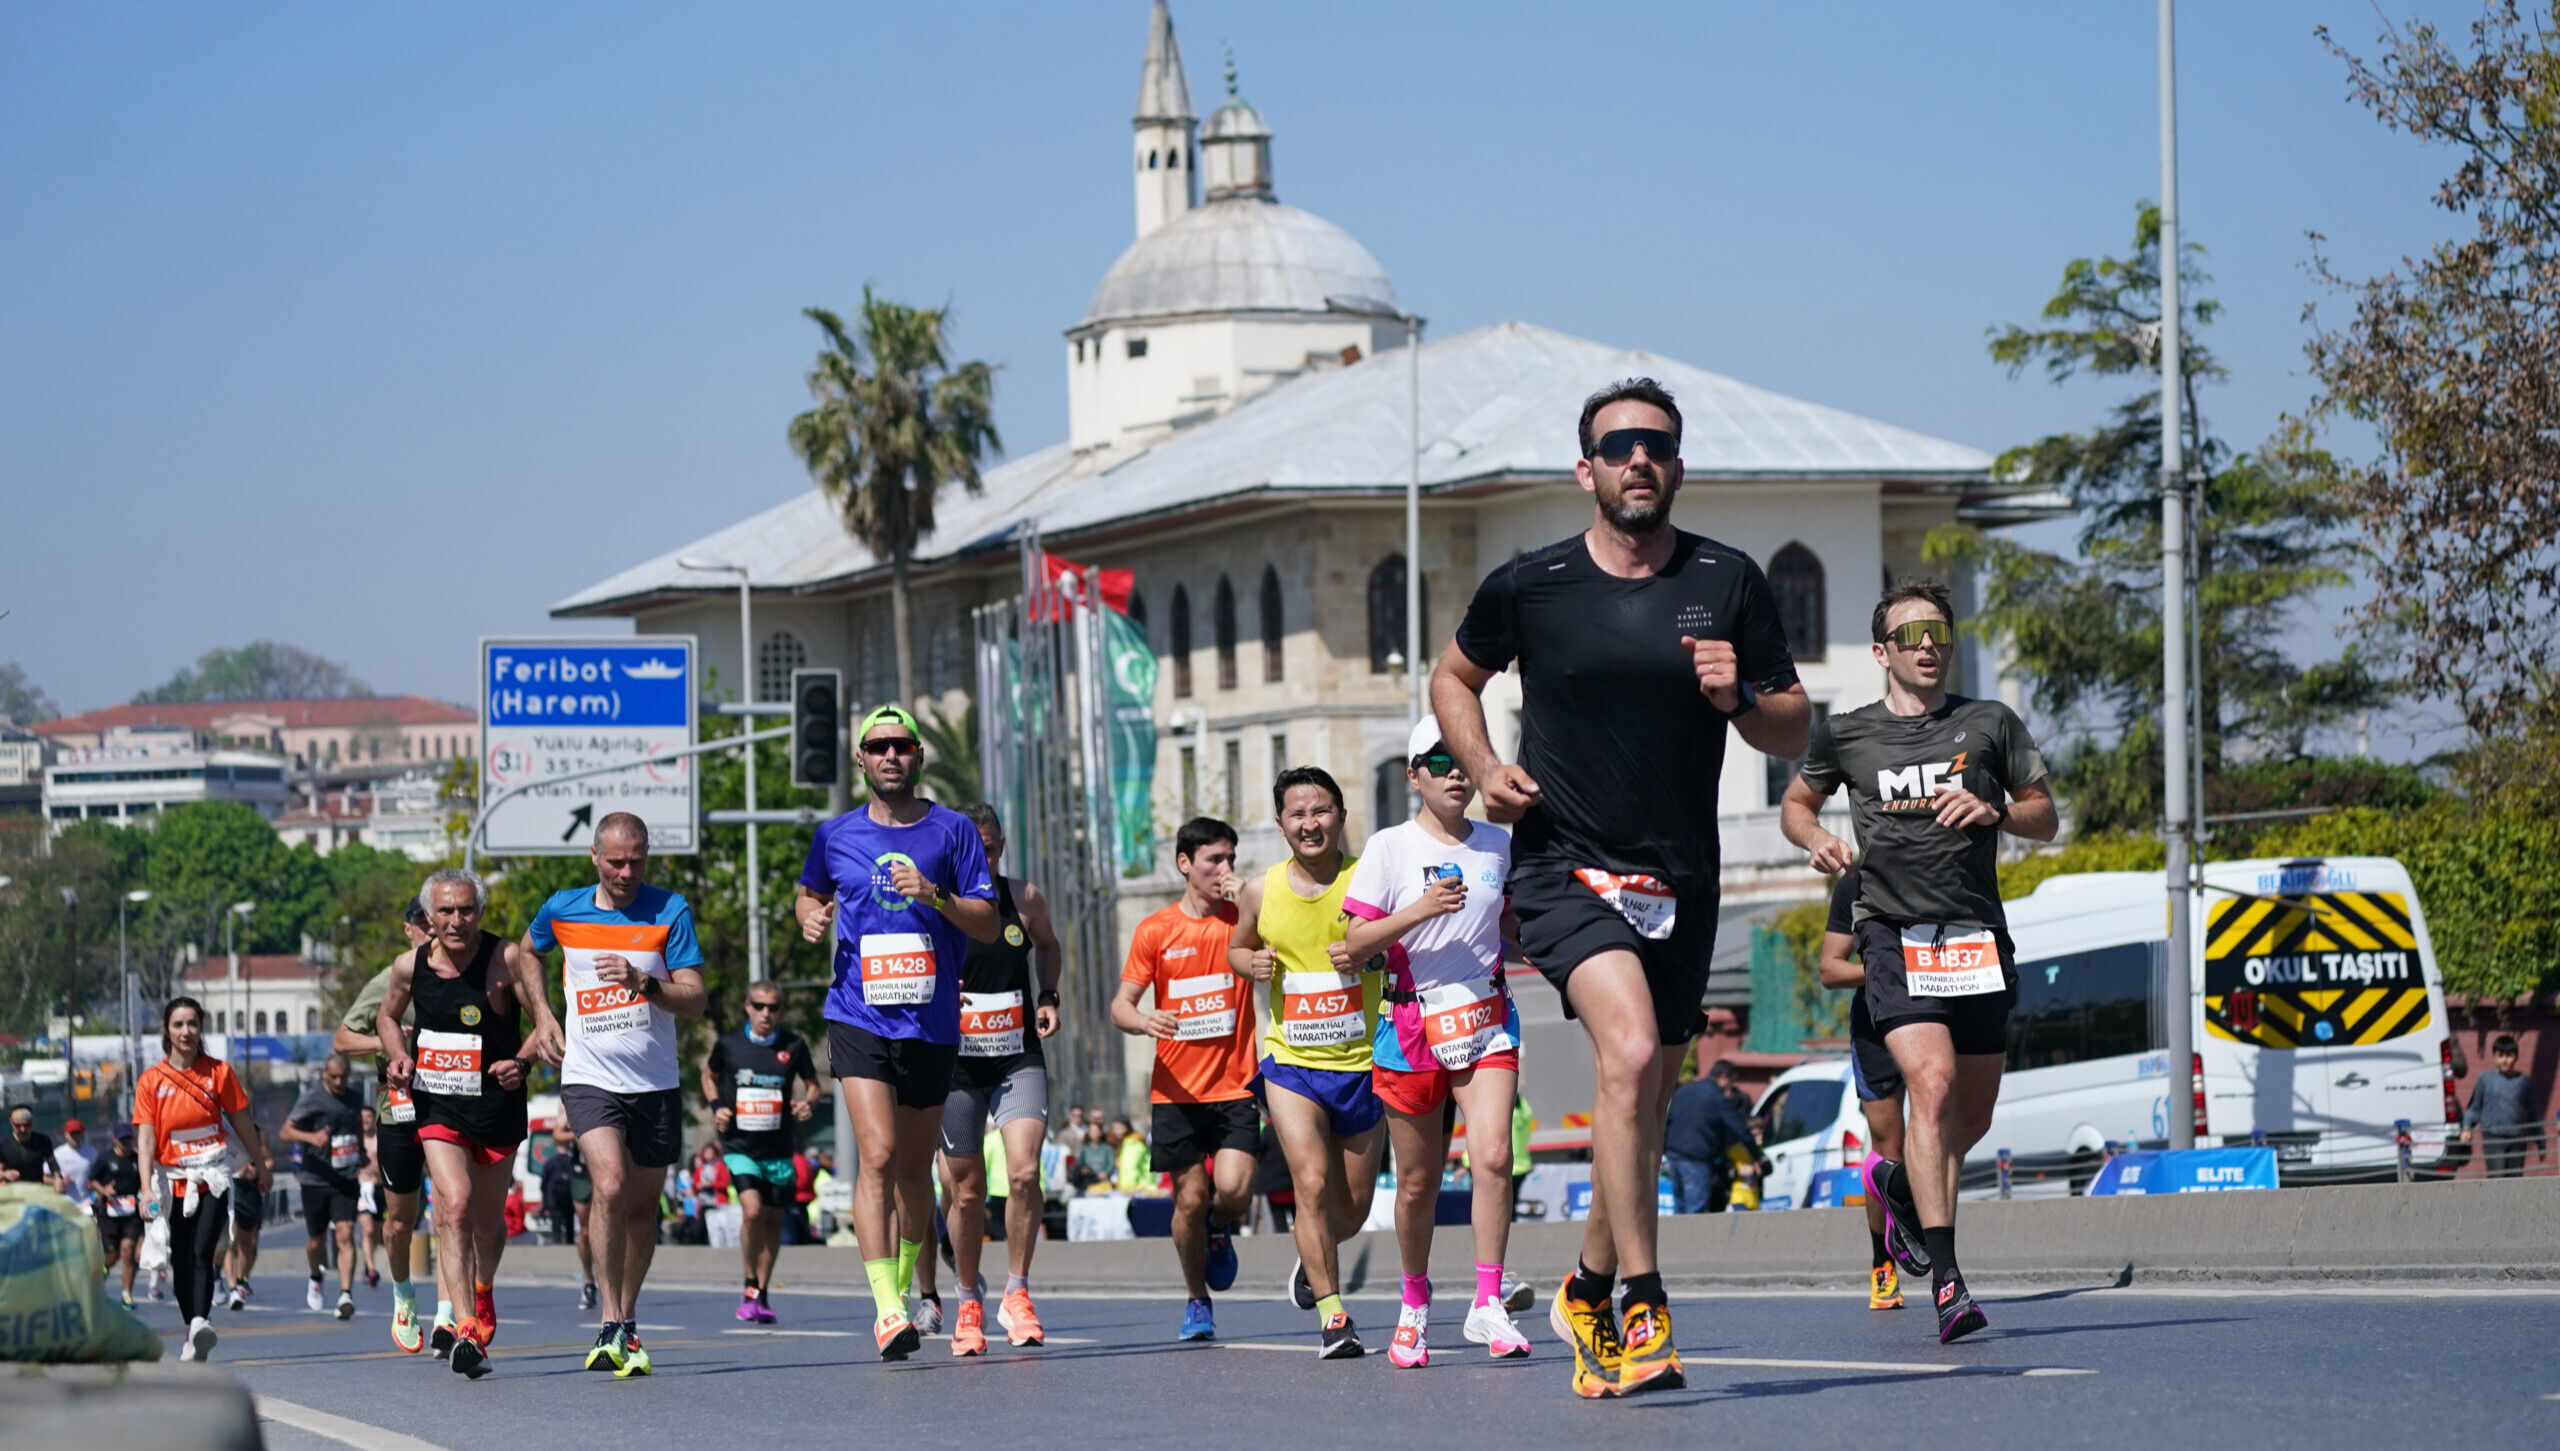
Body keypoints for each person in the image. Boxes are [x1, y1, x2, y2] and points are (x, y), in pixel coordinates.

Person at [1433, 377, 1813, 1397]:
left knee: (1643, 1091)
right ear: (1586, 469)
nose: (1636, 458)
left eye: (1655, 445)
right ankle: (1645, 1300)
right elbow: (1452, 678)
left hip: (1681, 878)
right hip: (1564, 864)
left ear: (1676, 467)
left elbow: (1793, 725)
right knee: (1634, 1047)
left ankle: (1588, 1279)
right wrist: (1481, 770)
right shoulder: (1533, 583)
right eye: (1617, 445)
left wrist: (1742, 700)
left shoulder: (1727, 579)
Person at [1782, 578, 2056, 1344]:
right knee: (1929, 1091)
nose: (1928, 645)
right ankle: (1949, 1281)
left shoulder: (1990, 722)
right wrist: (1816, 840)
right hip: (1892, 934)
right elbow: (1795, 805)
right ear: (1881, 652)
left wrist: (1998, 808)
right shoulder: (1849, 733)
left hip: (1976, 935)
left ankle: (1898, 1184)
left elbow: (2046, 812)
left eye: (1939, 631)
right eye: (1910, 635)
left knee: (1969, 1116)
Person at [794, 704, 1002, 1360]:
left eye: (901, 745)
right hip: (857, 1014)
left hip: (932, 1020)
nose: (890, 756)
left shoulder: (955, 831)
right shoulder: (834, 834)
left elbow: (989, 924)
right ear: (860, 759)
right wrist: (809, 917)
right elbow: (808, 892)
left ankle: (914, 1283)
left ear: (918, 756)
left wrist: (935, 895)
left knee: (916, 1169)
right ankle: (887, 1307)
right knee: (877, 1155)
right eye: (878, 746)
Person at [1343, 715, 1533, 1367]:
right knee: (1419, 1181)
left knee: (1494, 1156)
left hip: (1485, 1019)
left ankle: (1487, 1302)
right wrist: (1419, 909)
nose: (1455, 772)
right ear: (1413, 774)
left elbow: (1512, 925)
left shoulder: (1498, 846)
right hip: (1410, 1027)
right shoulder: (1388, 848)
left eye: (1463, 762)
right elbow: (1352, 943)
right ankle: (1415, 1303)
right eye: (1438, 760)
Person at [523, 810, 708, 1378]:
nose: (627, 871)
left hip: (655, 1082)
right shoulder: (563, 907)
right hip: (588, 1076)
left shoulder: (669, 909)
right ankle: (607, 1321)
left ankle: (628, 1319)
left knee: (640, 1210)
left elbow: (696, 999)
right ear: (595, 859)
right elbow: (526, 952)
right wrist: (544, 1015)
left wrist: (644, 983)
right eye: (617, 861)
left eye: (637, 860)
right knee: (609, 1182)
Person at [1229, 765, 1384, 1360]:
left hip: (1364, 1063)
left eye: (1321, 811)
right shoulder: (1261, 890)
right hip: (1291, 1062)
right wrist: (1251, 966)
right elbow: (1237, 947)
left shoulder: (1369, 879)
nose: (1310, 823)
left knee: (1353, 1208)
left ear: (1341, 817)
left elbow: (1397, 944)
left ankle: (1313, 1251)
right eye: (1298, 813)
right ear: (1280, 824)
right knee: (1310, 1184)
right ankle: (1333, 1316)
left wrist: (1371, 954)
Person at [380, 867, 548, 1380]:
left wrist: (520, 1064)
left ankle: (483, 1287)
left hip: (496, 1105)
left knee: (488, 1225)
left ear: (480, 912)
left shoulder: (506, 959)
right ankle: (465, 1327)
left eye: (466, 910)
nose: (457, 921)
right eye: (446, 912)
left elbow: (544, 1021)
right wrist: (397, 1055)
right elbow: (387, 1017)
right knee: (454, 1205)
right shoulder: (409, 967)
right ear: (428, 917)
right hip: (438, 1105)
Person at [914, 802, 1062, 1356]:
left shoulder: (1023, 898)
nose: (985, 855)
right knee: (967, 1192)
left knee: (1024, 1174)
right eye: (974, 847)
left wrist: (1047, 996)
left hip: (1016, 1054)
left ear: (1001, 845)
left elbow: (1048, 946)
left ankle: (1017, 1293)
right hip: (956, 1064)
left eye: (993, 846)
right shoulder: (939, 906)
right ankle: (968, 1298)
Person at [1112, 816, 1259, 1341]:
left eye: (1230, 859)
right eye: (1213, 860)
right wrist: (1145, 1020)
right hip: (1175, 1090)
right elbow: (1120, 1006)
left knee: (1235, 1191)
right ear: (1185, 864)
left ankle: (1220, 1229)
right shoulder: (1156, 930)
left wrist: (1250, 904)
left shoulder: (1243, 916)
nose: (1224, 869)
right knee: (1190, 1200)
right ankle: (1197, 1301)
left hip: (1236, 1082)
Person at [135, 996, 274, 1363]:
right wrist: (146, 1186)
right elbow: (146, 1138)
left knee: (202, 1251)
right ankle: (191, 1329)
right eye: (178, 1024)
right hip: (173, 1180)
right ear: (167, 1030)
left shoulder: (220, 1073)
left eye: (192, 1024)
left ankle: (199, 1322)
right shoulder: (151, 1081)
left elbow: (243, 1123)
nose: (186, 1031)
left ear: (201, 1028)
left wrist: (260, 1166)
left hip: (213, 1176)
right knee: (180, 1258)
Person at [334, 898, 435, 1350]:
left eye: (438, 917)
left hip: (455, 1103)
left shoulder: (467, 972)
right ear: (408, 928)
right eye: (421, 921)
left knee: (457, 1209)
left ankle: (452, 1317)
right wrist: (390, 1039)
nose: (431, 927)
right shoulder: (392, 978)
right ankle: (403, 1294)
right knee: (400, 1221)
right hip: (400, 1107)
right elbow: (342, 1038)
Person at [1813, 865, 1910, 1309]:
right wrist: (1884, 971)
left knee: (1941, 1137)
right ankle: (1882, 1263)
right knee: (1890, 1150)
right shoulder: (1856, 880)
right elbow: (1831, 970)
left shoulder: (1948, 863)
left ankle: (1941, 1258)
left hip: (1943, 1012)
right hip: (1876, 1023)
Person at [279, 1052, 365, 1319]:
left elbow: (357, 1125)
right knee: (316, 1240)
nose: (339, 1082)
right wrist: (310, 1137)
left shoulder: (354, 1097)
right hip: (315, 1178)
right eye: (334, 1077)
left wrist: (360, 1150)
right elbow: (285, 1131)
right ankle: (316, 1275)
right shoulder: (312, 1098)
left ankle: (345, 1295)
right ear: (325, 1075)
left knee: (346, 1232)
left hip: (345, 1176)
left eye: (344, 1077)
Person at [1663, 1065, 1755, 1216]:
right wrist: (1757, 1155)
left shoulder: (1684, 1091)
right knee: (1695, 1211)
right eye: (1731, 1083)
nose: (1730, 1089)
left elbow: (1668, 1120)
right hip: (1697, 1159)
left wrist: (1665, 1149)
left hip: (1674, 1156)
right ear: (1724, 1077)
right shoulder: (1716, 1096)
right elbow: (1739, 1127)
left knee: (1679, 1208)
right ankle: (1690, 1240)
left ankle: (1676, 1239)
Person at [2465, 1034, 2542, 1178]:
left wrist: (2540, 1142)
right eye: (2500, 1055)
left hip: (2518, 1139)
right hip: (2493, 1138)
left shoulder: (2524, 1082)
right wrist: (2466, 1128)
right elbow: (2474, 1108)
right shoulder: (2485, 1080)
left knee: (2515, 1180)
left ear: (2516, 1057)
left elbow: (2533, 1113)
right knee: (2497, 1178)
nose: (2505, 1060)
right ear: (2494, 1057)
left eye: (2509, 1055)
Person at [91, 1122, 147, 1307]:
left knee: (128, 1250)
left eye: (128, 1139)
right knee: (112, 1256)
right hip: (109, 1213)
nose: (126, 1143)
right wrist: (103, 1190)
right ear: (115, 1140)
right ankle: (103, 1272)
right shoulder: (105, 1159)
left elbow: (146, 1179)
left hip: (131, 1212)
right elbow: (92, 1181)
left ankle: (126, 1295)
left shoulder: (137, 1159)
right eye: (122, 1140)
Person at [355, 1108, 386, 1290]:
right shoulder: (357, 1140)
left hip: (380, 1187)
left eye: (368, 1117)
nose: (365, 1120)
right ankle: (372, 1270)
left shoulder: (379, 1137)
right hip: (363, 1187)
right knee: (367, 1230)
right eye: (362, 1117)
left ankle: (368, 1265)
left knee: (375, 1230)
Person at [2, 1104, 63, 1188]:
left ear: (32, 1122)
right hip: (14, 1193)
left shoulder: (42, 1141)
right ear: (11, 1122)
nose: (23, 1129)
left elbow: (52, 1164)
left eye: (26, 1125)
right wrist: (5, 1174)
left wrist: (58, 1179)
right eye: (18, 1126)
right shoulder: (3, 1144)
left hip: (37, 1190)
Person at [53, 1117, 97, 1207]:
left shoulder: (92, 1152)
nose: (75, 1137)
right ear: (65, 1134)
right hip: (66, 1204)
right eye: (72, 1134)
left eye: (78, 1133)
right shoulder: (58, 1154)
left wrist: (94, 1183)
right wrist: (59, 1181)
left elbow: (98, 1175)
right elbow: (44, 1177)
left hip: (88, 1202)